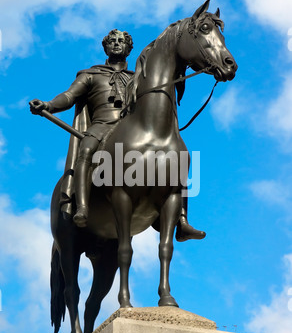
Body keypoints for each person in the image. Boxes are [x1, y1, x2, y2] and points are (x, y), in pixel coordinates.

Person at [30, 29, 205, 239]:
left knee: (177, 156)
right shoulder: (90, 74)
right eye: (111, 41)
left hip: (134, 130)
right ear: (105, 46)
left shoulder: (140, 78)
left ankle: (182, 220)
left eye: (121, 41)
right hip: (102, 126)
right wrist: (49, 104)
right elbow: (69, 96)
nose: (116, 43)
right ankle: (83, 207)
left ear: (129, 48)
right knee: (86, 150)